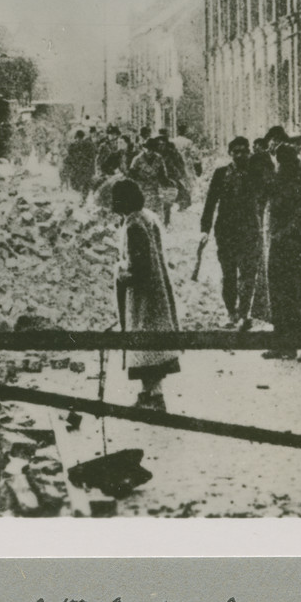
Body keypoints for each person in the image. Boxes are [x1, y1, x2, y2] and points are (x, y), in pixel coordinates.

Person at [110, 178, 181, 410]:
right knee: (154, 344)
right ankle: (150, 392)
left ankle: (153, 396)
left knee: (144, 344)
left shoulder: (133, 226)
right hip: (157, 291)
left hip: (143, 296)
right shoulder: (148, 217)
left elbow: (138, 269)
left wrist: (120, 271)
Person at [261, 145, 301, 360]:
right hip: (279, 244)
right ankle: (283, 345)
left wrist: (286, 231)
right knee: (278, 294)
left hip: (298, 245)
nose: (281, 165)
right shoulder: (276, 182)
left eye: (284, 161)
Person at [199, 136, 259, 325]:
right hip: (225, 230)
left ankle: (245, 313)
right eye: (236, 151)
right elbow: (210, 202)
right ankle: (231, 312)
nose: (240, 155)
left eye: (244, 151)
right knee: (229, 273)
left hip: (248, 229)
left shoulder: (255, 173)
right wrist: (205, 229)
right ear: (230, 153)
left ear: (249, 152)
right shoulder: (221, 173)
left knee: (248, 273)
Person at [127, 136, 173, 221]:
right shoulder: (137, 159)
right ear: (144, 148)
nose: (149, 151)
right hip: (141, 189)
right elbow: (131, 175)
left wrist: (166, 183)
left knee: (156, 215)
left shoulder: (159, 159)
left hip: (154, 189)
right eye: (147, 149)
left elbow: (162, 174)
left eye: (151, 149)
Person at [61, 129, 96, 200]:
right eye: (77, 139)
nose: (78, 140)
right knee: (82, 186)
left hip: (81, 170)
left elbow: (70, 157)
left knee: (80, 186)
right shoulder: (89, 145)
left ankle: (82, 199)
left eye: (78, 138)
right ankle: (82, 199)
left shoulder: (75, 146)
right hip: (84, 170)